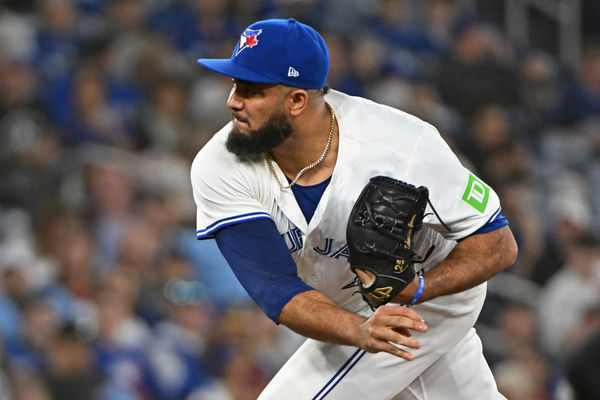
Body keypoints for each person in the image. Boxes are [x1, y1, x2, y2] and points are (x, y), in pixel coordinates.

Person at [191, 18, 518, 399]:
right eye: (234, 85)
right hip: (347, 305)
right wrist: (358, 331)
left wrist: (420, 289)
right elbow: (276, 289)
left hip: (431, 292)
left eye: (251, 90)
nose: (233, 100)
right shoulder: (220, 166)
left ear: (297, 100)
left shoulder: (400, 146)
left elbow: (498, 242)